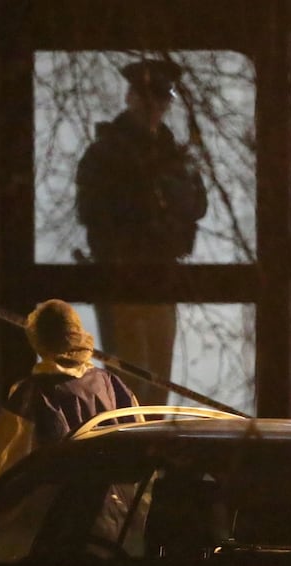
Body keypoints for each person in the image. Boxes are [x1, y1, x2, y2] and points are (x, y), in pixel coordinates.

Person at [75, 58, 208, 406]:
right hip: (124, 278)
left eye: (162, 100)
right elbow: (93, 212)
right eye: (148, 99)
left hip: (162, 277)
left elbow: (197, 204)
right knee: (129, 386)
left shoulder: (172, 156)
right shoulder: (106, 154)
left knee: (157, 386)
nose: (155, 108)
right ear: (131, 98)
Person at [0, 299, 138, 486]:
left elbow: (4, 470)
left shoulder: (31, 395)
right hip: (117, 510)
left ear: (37, 339)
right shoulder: (111, 384)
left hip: (60, 510)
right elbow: (141, 453)